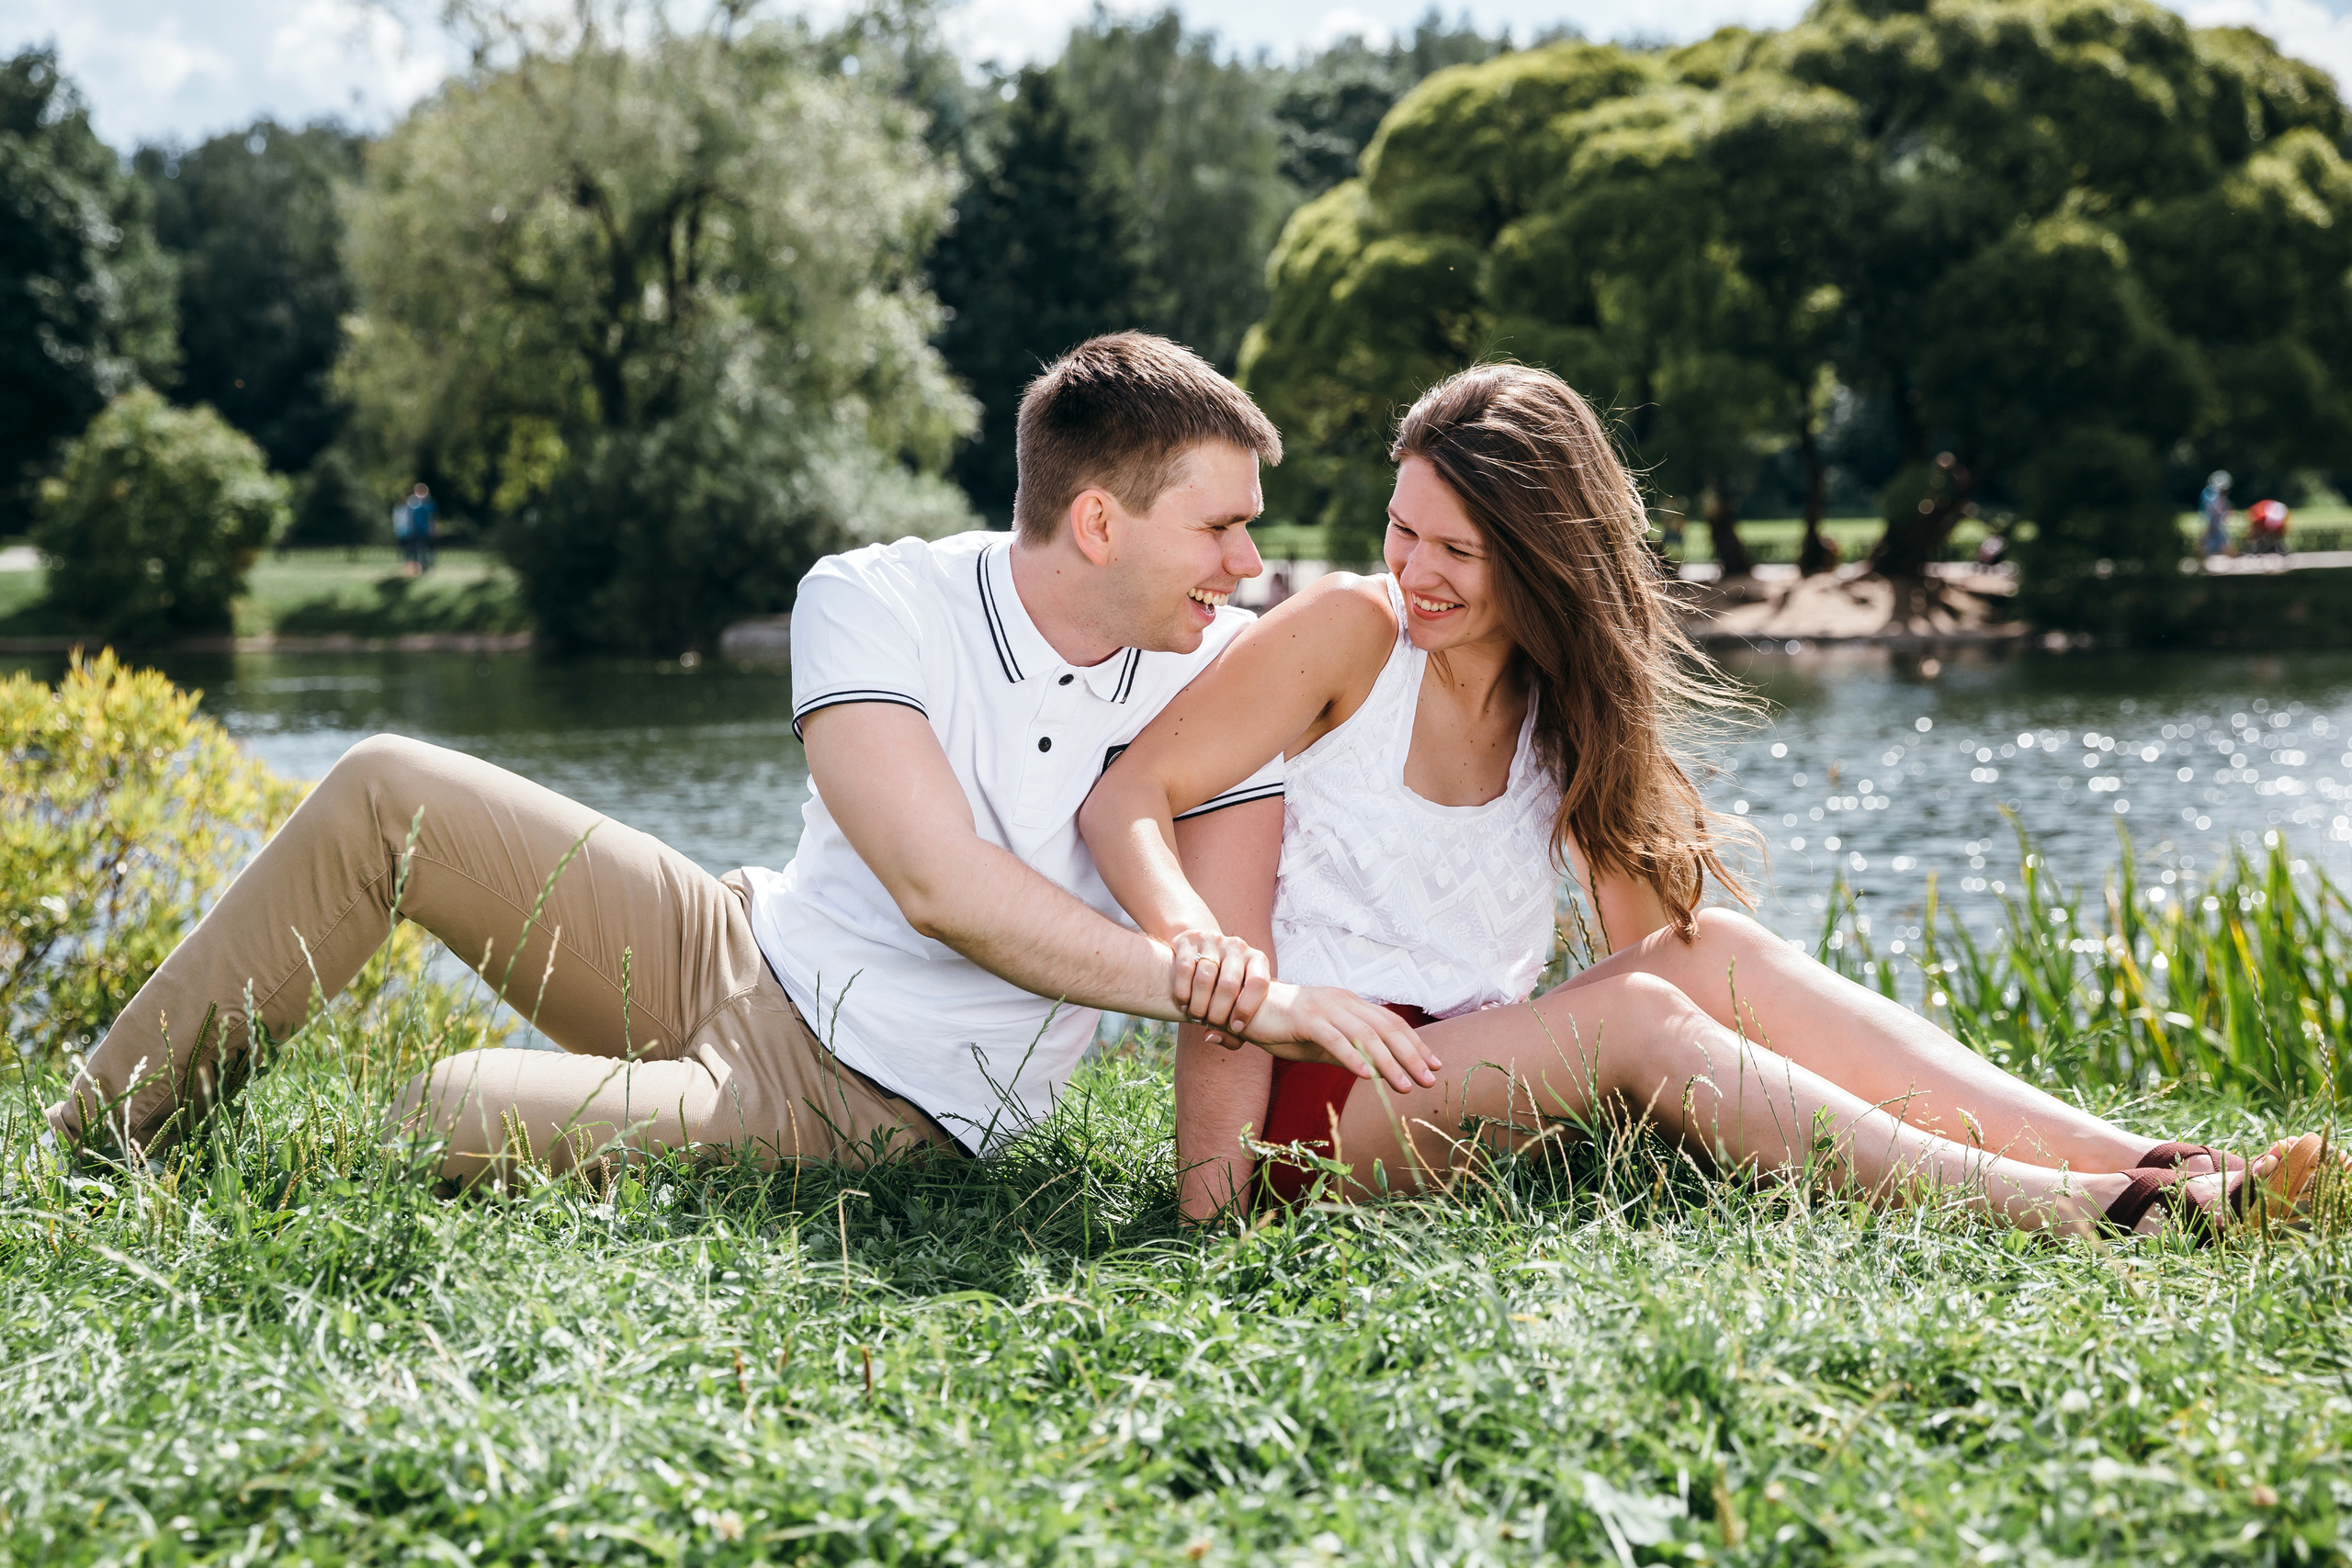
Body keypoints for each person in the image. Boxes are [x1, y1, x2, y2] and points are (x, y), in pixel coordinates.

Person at [44, 334, 1431, 1180]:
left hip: (875, 1098)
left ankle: (313, 1166)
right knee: (384, 788)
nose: (1251, 564)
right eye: (1221, 529)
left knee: (440, 1105)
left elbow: (1258, 878)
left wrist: (1250, 1000)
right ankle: (88, 1151)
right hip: (733, 944)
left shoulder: (1222, 672)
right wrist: (1249, 997)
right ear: (1098, 519)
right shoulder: (873, 594)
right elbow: (938, 882)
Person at [1080, 364, 2325, 1241]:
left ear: (1546, 560)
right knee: (1637, 1013)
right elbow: (1130, 794)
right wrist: (1194, 940)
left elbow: (1658, 950)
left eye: (1457, 551)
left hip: (1467, 1062)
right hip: (1322, 1094)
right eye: (1403, 528)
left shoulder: (1559, 697)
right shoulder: (1352, 628)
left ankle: (2142, 1159)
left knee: (1708, 945)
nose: (1416, 571)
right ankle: (2088, 1214)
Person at [2199, 470, 2233, 558]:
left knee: (2213, 536)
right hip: (2211, 518)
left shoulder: (2207, 491)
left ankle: (2210, 553)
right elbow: (2215, 508)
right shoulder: (2213, 492)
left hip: (2209, 517)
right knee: (2216, 536)